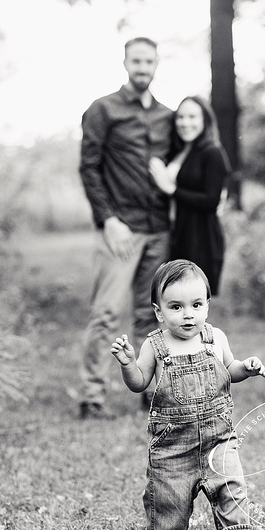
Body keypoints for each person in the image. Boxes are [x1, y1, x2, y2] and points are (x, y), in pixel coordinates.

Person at [110, 259, 265, 530]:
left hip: (218, 438)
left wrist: (246, 368)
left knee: (231, 486)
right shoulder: (155, 346)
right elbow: (140, 383)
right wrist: (129, 364)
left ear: (207, 306)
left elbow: (229, 368)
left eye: (196, 305)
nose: (188, 315)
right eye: (176, 307)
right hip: (173, 445)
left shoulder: (215, 339)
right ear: (159, 311)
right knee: (169, 497)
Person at [78, 37, 173, 419]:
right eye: (136, 60)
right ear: (124, 62)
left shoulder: (168, 116)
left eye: (149, 60)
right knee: (106, 312)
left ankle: (150, 393)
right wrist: (109, 219)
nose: (142, 67)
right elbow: (89, 168)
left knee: (151, 315)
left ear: (156, 63)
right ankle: (91, 396)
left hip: (159, 229)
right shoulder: (103, 110)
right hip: (121, 229)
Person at [148, 96, 230, 296]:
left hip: (200, 239)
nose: (185, 123)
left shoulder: (212, 152)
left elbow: (211, 201)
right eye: (181, 117)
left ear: (205, 120)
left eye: (192, 117)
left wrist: (171, 190)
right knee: (174, 301)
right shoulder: (182, 151)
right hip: (178, 234)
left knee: (191, 304)